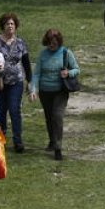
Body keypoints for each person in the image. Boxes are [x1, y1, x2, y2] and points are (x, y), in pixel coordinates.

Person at [0, 12, 32, 154]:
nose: (10, 26)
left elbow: (26, 64)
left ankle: (18, 140)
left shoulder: (21, 43)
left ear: (16, 26)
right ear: (2, 26)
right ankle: (0, 139)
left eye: (12, 24)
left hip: (16, 82)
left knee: (15, 110)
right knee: (0, 110)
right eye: (7, 24)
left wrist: (30, 81)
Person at [31, 28, 79, 161]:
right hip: (45, 92)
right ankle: (52, 140)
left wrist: (68, 73)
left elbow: (76, 69)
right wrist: (33, 90)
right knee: (49, 117)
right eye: (50, 42)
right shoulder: (43, 55)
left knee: (57, 116)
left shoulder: (66, 53)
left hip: (60, 91)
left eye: (55, 42)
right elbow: (36, 74)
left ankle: (58, 147)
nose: (52, 45)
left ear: (59, 42)